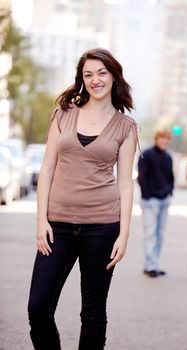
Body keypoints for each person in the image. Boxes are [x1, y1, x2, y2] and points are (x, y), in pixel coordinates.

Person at [27, 48, 138, 350]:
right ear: (81, 79)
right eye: (88, 74)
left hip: (102, 227)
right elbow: (47, 169)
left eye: (102, 72)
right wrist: (41, 221)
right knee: (38, 309)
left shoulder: (125, 127)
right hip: (57, 227)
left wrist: (123, 235)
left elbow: (125, 185)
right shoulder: (63, 114)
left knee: (92, 313)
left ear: (114, 76)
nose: (95, 80)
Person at [137, 130, 174, 278]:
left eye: (167, 139)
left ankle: (154, 265)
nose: (164, 141)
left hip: (164, 199)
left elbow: (171, 177)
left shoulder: (168, 156)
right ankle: (151, 266)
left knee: (159, 235)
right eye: (162, 139)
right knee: (150, 233)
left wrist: (169, 191)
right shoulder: (147, 154)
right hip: (150, 200)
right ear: (156, 139)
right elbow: (142, 176)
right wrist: (147, 195)